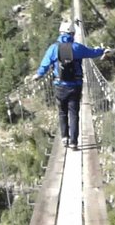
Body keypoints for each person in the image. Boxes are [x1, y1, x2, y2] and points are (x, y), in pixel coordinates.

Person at [32, 21, 109, 151]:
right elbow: (92, 52)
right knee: (74, 113)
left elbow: (44, 65)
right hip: (75, 86)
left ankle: (64, 137)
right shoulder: (77, 47)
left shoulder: (53, 48)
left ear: (60, 33)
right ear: (72, 34)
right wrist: (103, 51)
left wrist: (38, 75)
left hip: (59, 86)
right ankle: (74, 142)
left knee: (62, 112)